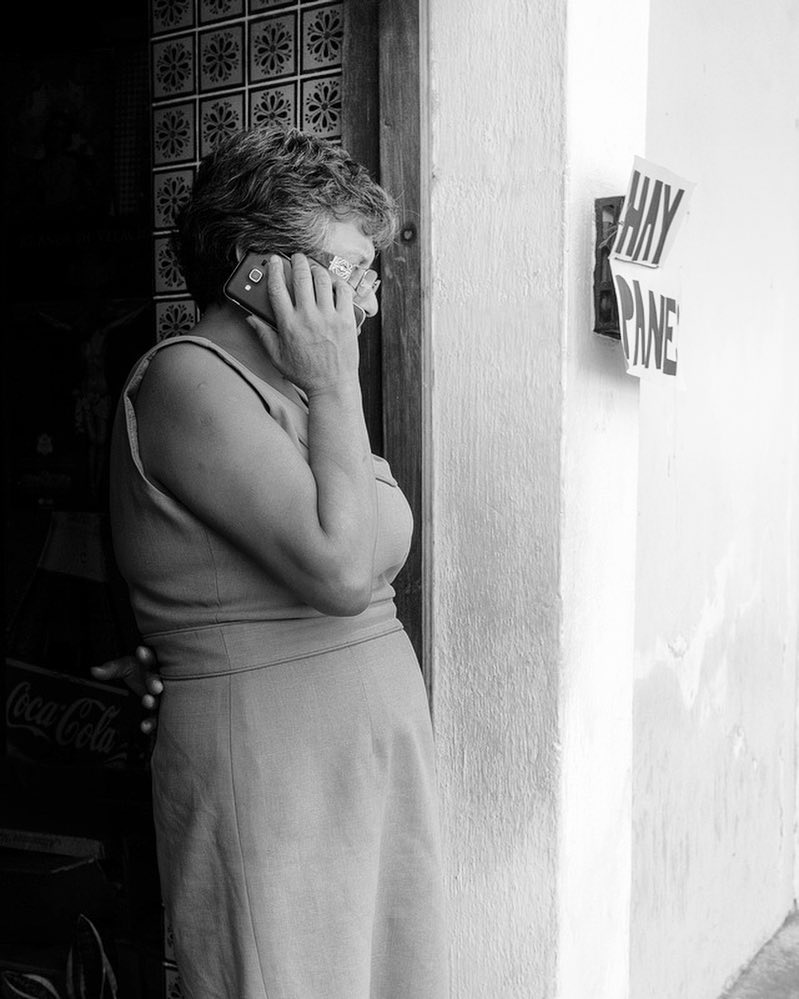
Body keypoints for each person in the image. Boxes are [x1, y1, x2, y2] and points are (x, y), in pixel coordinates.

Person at [99, 124, 447, 998]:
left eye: (370, 275)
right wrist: (336, 382)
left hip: (366, 758)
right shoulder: (187, 378)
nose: (365, 303)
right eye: (347, 271)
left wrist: (323, 386)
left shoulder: (297, 391)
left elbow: (363, 550)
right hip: (271, 766)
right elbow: (339, 568)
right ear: (257, 267)